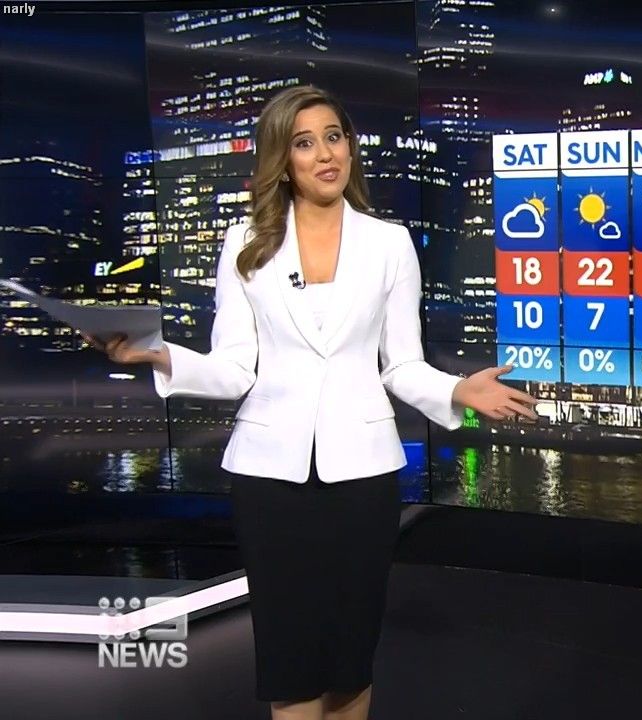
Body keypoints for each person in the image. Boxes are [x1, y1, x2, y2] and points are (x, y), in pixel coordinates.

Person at [87, 85, 537, 720]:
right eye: (305, 143)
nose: (326, 154)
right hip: (269, 476)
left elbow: (401, 364)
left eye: (334, 136)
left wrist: (456, 390)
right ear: (283, 159)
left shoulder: (389, 243)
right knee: (291, 660)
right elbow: (233, 370)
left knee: (350, 658)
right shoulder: (247, 243)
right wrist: (158, 355)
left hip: (363, 474)